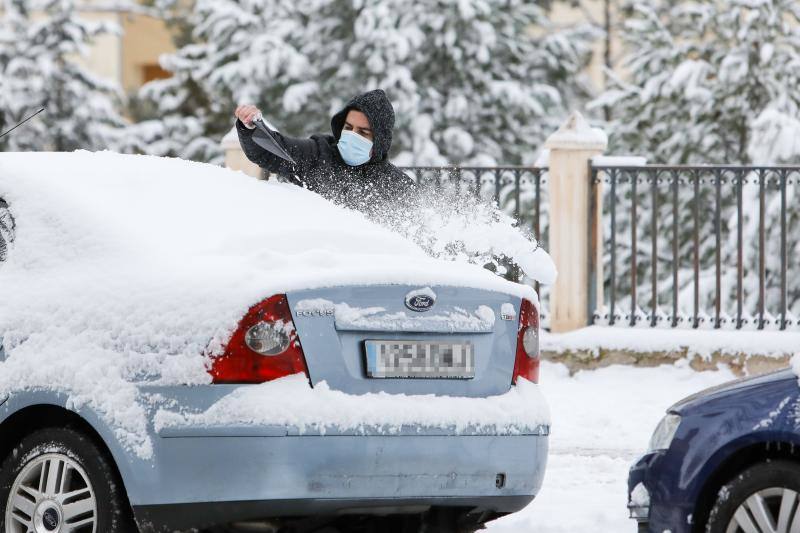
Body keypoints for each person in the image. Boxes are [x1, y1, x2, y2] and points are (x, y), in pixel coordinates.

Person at [234, 89, 414, 213]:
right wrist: (252, 128)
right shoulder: (317, 154)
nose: (352, 135)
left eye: (363, 132)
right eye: (348, 127)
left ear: (380, 140)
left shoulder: (398, 186)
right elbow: (272, 150)